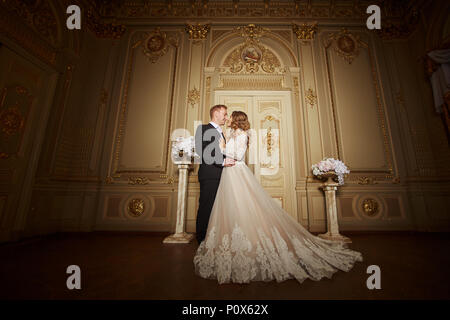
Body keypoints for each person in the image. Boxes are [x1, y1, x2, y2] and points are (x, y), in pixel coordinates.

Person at [193, 111, 363, 284]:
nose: (227, 118)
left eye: (230, 117)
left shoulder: (242, 135)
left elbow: (237, 155)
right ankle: (231, 245)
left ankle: (250, 243)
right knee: (229, 208)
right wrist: (222, 147)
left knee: (244, 206)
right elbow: (215, 153)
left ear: (236, 120)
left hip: (236, 172)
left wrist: (222, 147)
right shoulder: (228, 133)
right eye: (225, 115)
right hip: (228, 174)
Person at [194, 105, 236, 244]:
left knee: (218, 208)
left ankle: (214, 238)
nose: (226, 117)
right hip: (210, 175)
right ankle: (202, 240)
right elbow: (203, 152)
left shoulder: (221, 132)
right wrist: (223, 162)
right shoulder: (203, 129)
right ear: (216, 114)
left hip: (222, 176)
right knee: (207, 207)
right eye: (224, 114)